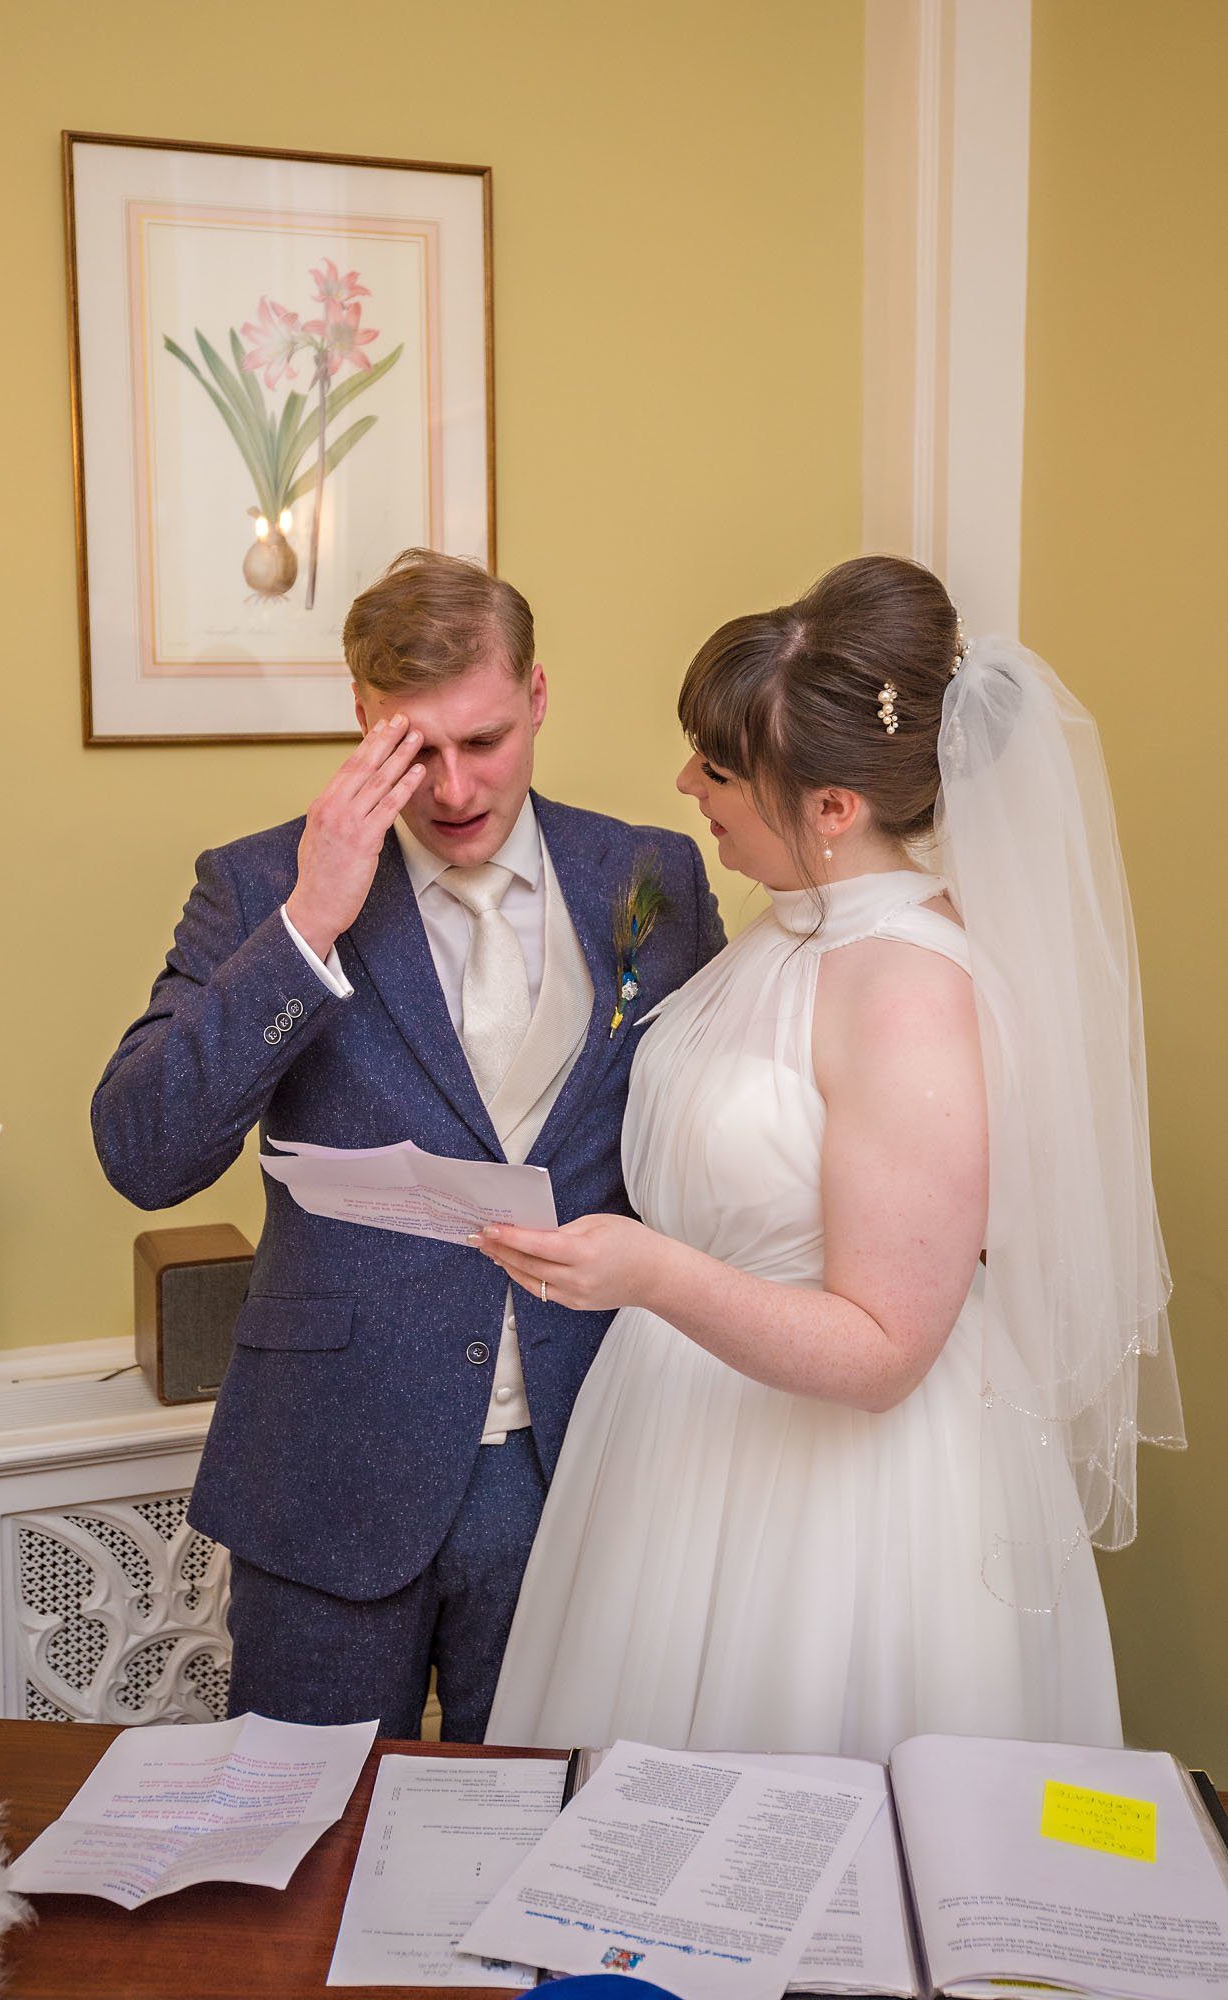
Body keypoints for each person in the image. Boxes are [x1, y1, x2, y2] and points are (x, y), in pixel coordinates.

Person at [480, 554, 1184, 1760]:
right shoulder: (791, 926)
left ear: (831, 806)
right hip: (679, 1446)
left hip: (840, 1501)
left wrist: (648, 1273)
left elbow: (880, 1350)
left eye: (719, 766)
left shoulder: (907, 987)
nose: (684, 783)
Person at [91, 548, 724, 1740]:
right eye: (409, 747)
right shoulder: (255, 884)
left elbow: (710, 1127)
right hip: (334, 1464)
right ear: (358, 717)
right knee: (298, 1856)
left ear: (537, 695)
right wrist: (307, 920)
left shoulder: (652, 872)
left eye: (481, 739)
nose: (449, 786)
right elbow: (144, 1150)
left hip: (587, 1457)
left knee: (545, 1841)